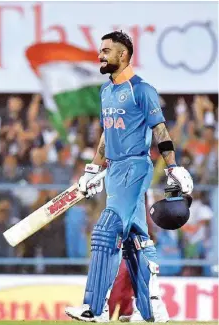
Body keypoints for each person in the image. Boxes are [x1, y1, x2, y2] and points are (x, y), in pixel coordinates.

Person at [64, 31, 193, 323]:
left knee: (105, 231)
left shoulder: (142, 90)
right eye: (100, 50)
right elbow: (106, 136)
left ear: (123, 55)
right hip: (113, 170)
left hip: (135, 167)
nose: (100, 56)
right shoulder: (105, 91)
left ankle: (94, 308)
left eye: (106, 51)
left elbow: (160, 131)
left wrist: (173, 167)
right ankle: (152, 310)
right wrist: (92, 169)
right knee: (136, 240)